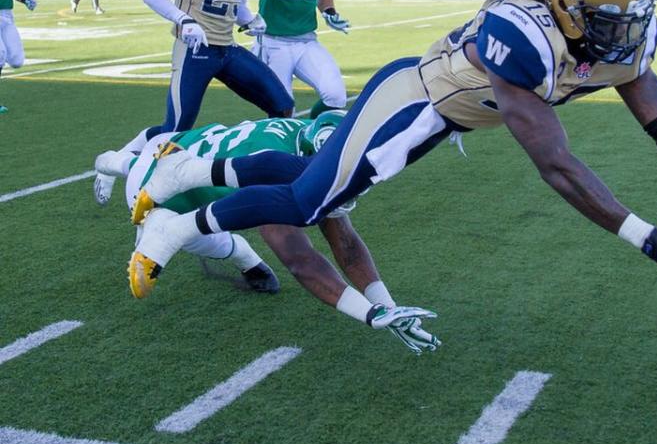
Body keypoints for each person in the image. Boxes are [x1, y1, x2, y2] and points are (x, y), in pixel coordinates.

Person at [127, 0, 657, 299]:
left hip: (451, 118)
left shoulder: (614, 36)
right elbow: (557, 165)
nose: (624, 34)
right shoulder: (521, 34)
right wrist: (649, 239)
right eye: (608, 19)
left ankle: (188, 174)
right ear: (567, 4)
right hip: (412, 101)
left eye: (629, 18)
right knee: (308, 203)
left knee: (308, 180)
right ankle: (183, 221)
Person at [104, 111, 439, 354]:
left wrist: (387, 306)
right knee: (216, 243)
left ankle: (109, 163)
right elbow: (300, 260)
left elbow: (346, 243)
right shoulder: (280, 167)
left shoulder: (310, 139)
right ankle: (113, 168)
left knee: (142, 164)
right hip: (160, 195)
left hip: (177, 145)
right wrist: (369, 313)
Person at [91, 0, 294, 207]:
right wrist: (184, 21)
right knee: (174, 131)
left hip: (226, 48)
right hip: (195, 50)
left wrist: (250, 19)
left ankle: (265, 175)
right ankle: (116, 160)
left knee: (282, 106)